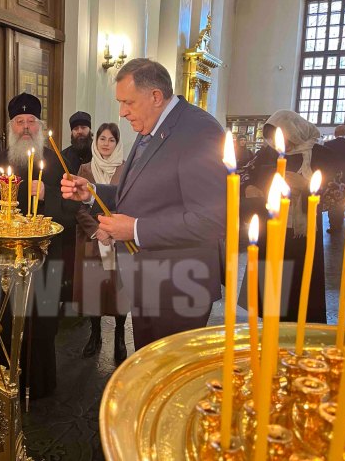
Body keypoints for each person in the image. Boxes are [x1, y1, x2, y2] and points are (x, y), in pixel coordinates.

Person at [61, 58, 226, 350]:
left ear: (156, 97)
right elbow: (138, 193)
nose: (122, 112)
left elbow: (210, 221)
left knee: (170, 378)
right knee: (149, 369)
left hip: (179, 285)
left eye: (128, 103)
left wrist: (136, 229)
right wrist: (93, 192)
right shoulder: (148, 128)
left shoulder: (199, 131)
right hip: (146, 278)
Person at [0, 92, 79, 399]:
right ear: (10, 126)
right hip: (4, 260)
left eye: (31, 121)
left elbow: (72, 211)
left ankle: (38, 385)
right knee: (5, 320)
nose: (25, 127)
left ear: (39, 125)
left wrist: (46, 194)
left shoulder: (56, 161)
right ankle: (2, 378)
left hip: (46, 259)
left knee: (42, 324)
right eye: (19, 121)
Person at [238, 110, 338, 323]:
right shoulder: (268, 152)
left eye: (284, 137)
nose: (281, 143)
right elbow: (245, 174)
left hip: (304, 234)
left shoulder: (322, 154)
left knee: (301, 286)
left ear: (296, 131)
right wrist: (249, 188)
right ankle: (269, 328)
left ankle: (301, 329)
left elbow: (336, 195)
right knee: (270, 287)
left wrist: (308, 188)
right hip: (271, 229)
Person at [73, 122, 130, 362]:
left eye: (111, 140)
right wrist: (98, 230)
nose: (106, 144)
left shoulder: (127, 168)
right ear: (95, 142)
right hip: (92, 239)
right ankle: (94, 334)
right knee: (94, 288)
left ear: (117, 143)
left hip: (120, 239)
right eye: (102, 139)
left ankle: (119, 335)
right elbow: (76, 204)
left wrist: (114, 230)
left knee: (119, 289)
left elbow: (130, 201)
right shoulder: (85, 168)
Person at [324, 125, 345, 233]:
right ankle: (339, 223)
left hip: (332, 176)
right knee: (343, 199)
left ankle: (333, 225)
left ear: (335, 133)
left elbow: (326, 161)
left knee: (332, 200)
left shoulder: (328, 144)